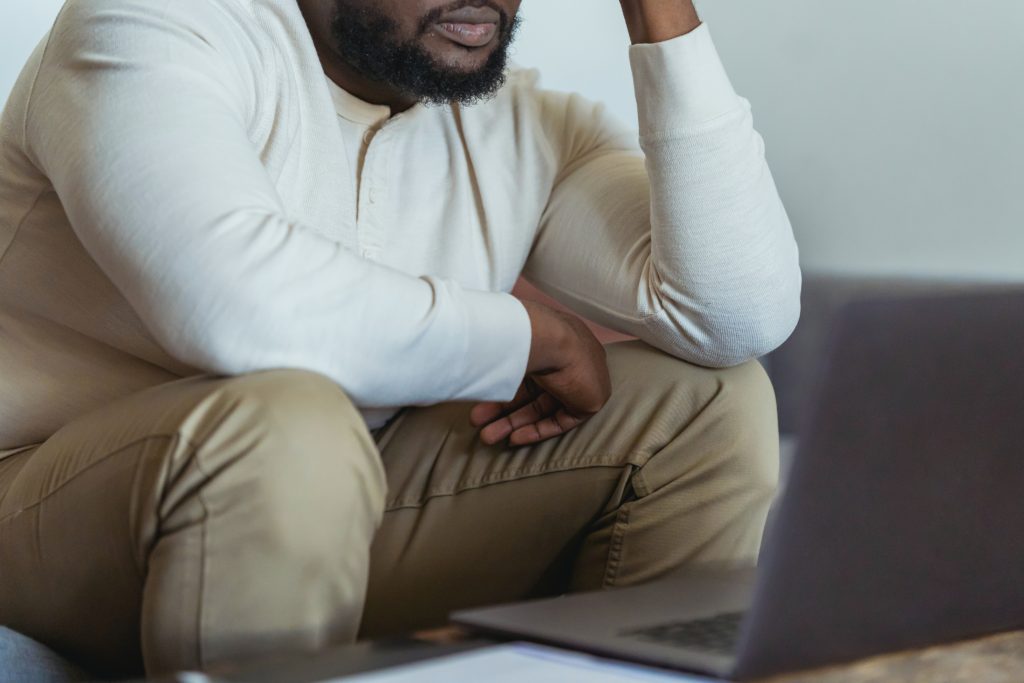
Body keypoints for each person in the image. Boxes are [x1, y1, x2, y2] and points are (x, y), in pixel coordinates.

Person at [0, 0, 801, 677]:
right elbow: (238, 307)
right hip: (49, 506)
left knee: (710, 401)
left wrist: (660, 15)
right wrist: (524, 336)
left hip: (332, 508)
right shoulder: (149, 25)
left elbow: (737, 313)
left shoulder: (529, 125)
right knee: (287, 425)